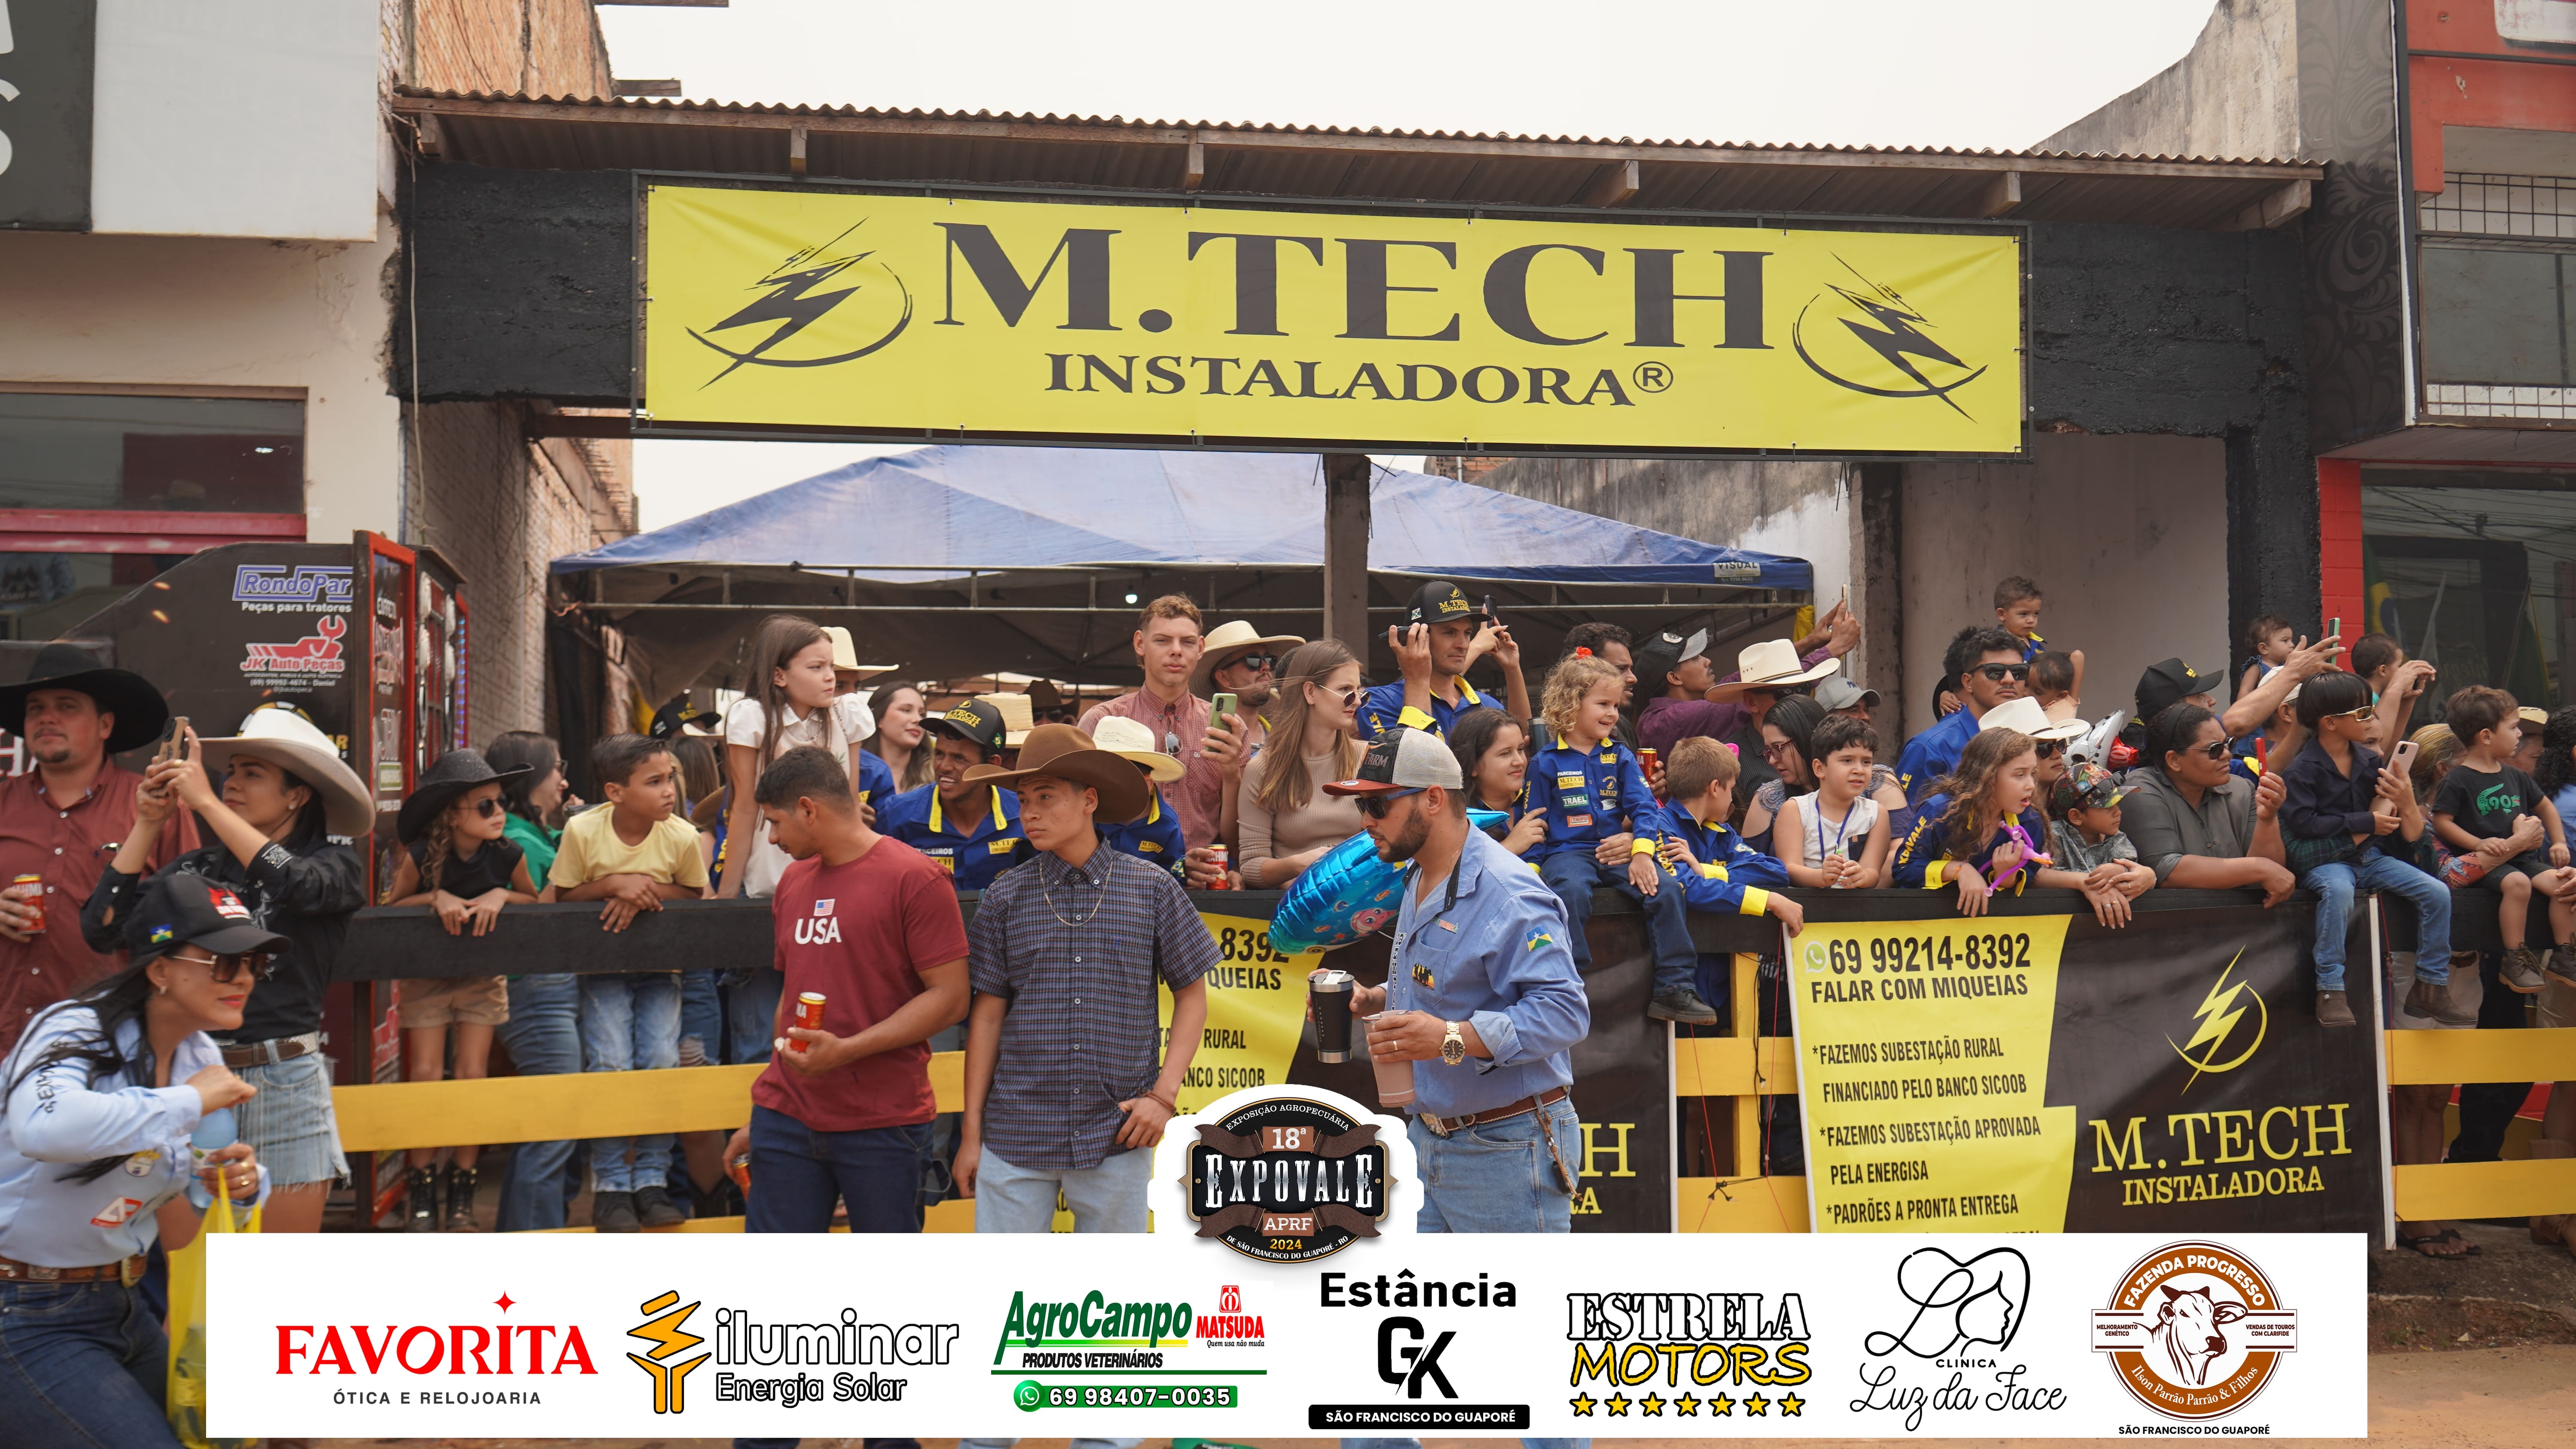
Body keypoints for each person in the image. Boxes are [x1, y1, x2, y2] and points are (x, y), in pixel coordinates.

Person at [0, 873, 276, 1448]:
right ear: (160, 970)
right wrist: (188, 1101)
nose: (245, 978)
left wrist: (239, 1185)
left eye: (255, 963)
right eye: (224, 962)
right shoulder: (72, 1028)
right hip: (23, 1314)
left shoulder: (196, 1054)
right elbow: (42, 1127)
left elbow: (190, 1210)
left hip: (120, 1305)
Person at [76, 706, 365, 1238]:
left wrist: (205, 803)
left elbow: (298, 886)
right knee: (193, 1267)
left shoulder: (335, 865)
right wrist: (148, 823)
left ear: (297, 795)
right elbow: (104, 928)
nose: (230, 783)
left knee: (279, 1272)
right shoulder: (198, 870)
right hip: (191, 1077)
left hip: (284, 1082)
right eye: (230, 771)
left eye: (252, 773)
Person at [1324, 725, 1590, 1225]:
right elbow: (1442, 981)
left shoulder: (1510, 893)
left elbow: (1565, 1015)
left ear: (1432, 799)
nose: (1365, 821)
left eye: (1378, 805)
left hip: (1506, 1146)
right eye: (1361, 805)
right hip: (1429, 1139)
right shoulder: (1420, 871)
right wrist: (1377, 998)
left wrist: (1449, 1037)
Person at [957, 725, 1215, 1233]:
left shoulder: (1152, 888)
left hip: (1117, 1128)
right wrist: (970, 1136)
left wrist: (1163, 1097)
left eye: (1046, 797)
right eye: (1023, 799)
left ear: (1089, 800)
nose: (1029, 813)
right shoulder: (1006, 896)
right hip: (1016, 1129)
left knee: (1112, 1280)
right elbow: (986, 1018)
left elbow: (1192, 996)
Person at [723, 746, 969, 1240]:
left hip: (882, 1119)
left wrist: (848, 1050)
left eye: (775, 822)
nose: (772, 838)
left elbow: (950, 997)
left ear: (808, 810)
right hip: (786, 1117)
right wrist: (768, 1109)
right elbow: (793, 994)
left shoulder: (916, 877)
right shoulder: (793, 882)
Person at [543, 733, 709, 1231]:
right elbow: (565, 895)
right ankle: (612, 1187)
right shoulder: (583, 831)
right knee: (611, 1064)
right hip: (602, 972)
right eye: (654, 781)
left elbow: (693, 893)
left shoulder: (682, 835)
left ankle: (652, 1181)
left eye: (670, 779)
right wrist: (614, 885)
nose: (669, 790)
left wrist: (644, 891)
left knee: (660, 1063)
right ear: (616, 792)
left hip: (663, 969)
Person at [0, 643, 196, 1056]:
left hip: (108, 1044)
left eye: (66, 706)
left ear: (105, 724)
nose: (47, 717)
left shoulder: (156, 806)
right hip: (6, 1041)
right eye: (36, 709)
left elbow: (190, 920)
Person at [387, 747, 539, 1231]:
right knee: (427, 1076)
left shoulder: (509, 854)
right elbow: (390, 909)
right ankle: (421, 1193)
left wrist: (501, 894)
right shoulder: (420, 857)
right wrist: (435, 896)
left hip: (482, 976)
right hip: (427, 977)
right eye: (486, 805)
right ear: (452, 814)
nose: (499, 813)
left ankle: (462, 1197)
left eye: (501, 802)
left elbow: (534, 900)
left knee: (474, 1077)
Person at [1524, 655, 1705, 1023]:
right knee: (1569, 891)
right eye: (1603, 704)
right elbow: (1534, 825)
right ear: (1571, 703)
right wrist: (1531, 873)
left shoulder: (1621, 756)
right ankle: (1567, 986)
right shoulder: (1544, 763)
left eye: (1616, 705)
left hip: (1620, 851)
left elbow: (1645, 809)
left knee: (1667, 889)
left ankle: (1674, 989)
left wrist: (1642, 853)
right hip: (1567, 854)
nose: (1613, 713)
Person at [2279, 670, 2458, 1028]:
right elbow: (2304, 825)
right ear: (2330, 723)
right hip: (2328, 863)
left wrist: (2400, 803)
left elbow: (2389, 824)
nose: (2371, 720)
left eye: (2371, 711)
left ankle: (2431, 987)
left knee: (2437, 892)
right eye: (2362, 713)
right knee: (2339, 892)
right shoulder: (2301, 770)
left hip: (2371, 858)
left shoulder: (2370, 762)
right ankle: (2330, 988)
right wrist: (2366, 822)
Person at [481, 730, 588, 1232]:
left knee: (552, 1125)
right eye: (556, 768)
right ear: (528, 779)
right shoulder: (517, 841)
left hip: (546, 988)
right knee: (554, 1124)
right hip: (536, 991)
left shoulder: (529, 833)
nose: (564, 780)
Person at [717, 615, 881, 903]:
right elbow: (743, 808)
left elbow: (850, 805)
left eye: (831, 666)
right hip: (769, 881)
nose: (830, 676)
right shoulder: (752, 717)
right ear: (779, 675)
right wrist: (727, 894)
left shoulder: (848, 713)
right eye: (816, 667)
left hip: (835, 880)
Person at [1893, 728, 2131, 924]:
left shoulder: (2030, 821)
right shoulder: (1940, 811)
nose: (2031, 785)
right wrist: (1959, 870)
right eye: (2019, 775)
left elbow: (2029, 878)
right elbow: (1904, 868)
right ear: (1986, 776)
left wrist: (2005, 875)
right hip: (1925, 928)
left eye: (2032, 774)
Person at [2428, 685, 2573, 996]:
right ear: (2486, 736)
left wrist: (2559, 842)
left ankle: (2565, 954)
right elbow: (2442, 822)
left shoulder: (2515, 775)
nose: (2519, 734)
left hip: (2523, 859)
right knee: (2517, 884)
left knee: (2565, 884)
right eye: (2513, 727)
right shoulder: (2458, 778)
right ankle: (2515, 957)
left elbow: (2545, 807)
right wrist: (2478, 844)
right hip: (2490, 866)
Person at [1075, 596, 1227, 875]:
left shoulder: (1224, 726)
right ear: (1140, 644)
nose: (1176, 651)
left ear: (1201, 648)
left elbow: (1241, 821)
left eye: (1187, 642)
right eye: (1163, 641)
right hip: (1114, 883)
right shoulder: (1102, 721)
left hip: (1206, 882)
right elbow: (1075, 809)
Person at [1636, 614, 1858, 797]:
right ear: (1674, 678)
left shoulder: (1679, 713)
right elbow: (1754, 686)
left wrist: (1810, 642)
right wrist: (1831, 650)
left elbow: (1748, 681)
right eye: (1695, 659)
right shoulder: (1671, 719)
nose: (1707, 661)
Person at [2120, 702, 2298, 902]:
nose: (2227, 754)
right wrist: (2259, 868)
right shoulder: (2139, 789)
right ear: (2174, 760)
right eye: (2214, 750)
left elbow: (2273, 880)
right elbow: (2167, 870)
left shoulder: (2242, 789)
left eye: (2228, 744)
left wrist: (2267, 819)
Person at [1237, 640, 1369, 890]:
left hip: (1366, 899)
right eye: (1345, 690)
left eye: (1360, 692)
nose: (1357, 702)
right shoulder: (1264, 768)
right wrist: (1299, 864)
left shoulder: (1369, 759)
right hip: (1299, 903)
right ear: (1310, 693)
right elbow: (1251, 867)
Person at [1647, 736, 1803, 931]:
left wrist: (1706, 871)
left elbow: (1776, 872)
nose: (1731, 798)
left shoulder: (1723, 832)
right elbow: (1686, 888)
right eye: (1731, 788)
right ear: (1714, 788)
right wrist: (1768, 900)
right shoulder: (1659, 825)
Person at [877, 699, 1033, 892]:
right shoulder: (897, 814)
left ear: (992, 765)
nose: (944, 767)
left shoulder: (1024, 813)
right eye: (940, 754)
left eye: (959, 758)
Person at [1359, 581, 1530, 740]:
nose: (1463, 645)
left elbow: (1523, 746)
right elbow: (1415, 760)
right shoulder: (1379, 702)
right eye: (1450, 633)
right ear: (1416, 636)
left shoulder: (1488, 705)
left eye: (1467, 633)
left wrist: (1513, 669)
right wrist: (1417, 681)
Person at [1195, 619, 1305, 856]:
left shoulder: (1283, 740)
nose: (1266, 668)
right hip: (1220, 862)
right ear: (1224, 678)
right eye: (1253, 662)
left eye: (1270, 661)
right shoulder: (1203, 740)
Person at [1895, 627, 2029, 803]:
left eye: (2019, 671)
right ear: (1968, 682)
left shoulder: (2034, 738)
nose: (2010, 679)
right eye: (1995, 671)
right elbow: (1906, 818)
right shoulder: (1930, 748)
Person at [1774, 713, 1895, 889]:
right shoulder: (1796, 810)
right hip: (1805, 903)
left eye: (1866, 762)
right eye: (1847, 760)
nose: (1859, 770)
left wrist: (1863, 876)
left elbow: (1873, 872)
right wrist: (1821, 877)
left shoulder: (1876, 814)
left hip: (1855, 904)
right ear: (1819, 768)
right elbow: (1789, 869)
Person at [1088, 716, 1192, 884]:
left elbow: (1173, 874)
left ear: (1147, 785)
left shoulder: (1167, 823)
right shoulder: (1087, 813)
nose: (1105, 786)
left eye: (1118, 779)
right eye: (1099, 777)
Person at [2047, 761, 2155, 899]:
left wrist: (2122, 870)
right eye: (2108, 807)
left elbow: (2131, 867)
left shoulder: (2117, 839)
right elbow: (2040, 876)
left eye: (2118, 803)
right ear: (2076, 817)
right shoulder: (2053, 836)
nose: (2118, 812)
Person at [1449, 706, 1545, 857]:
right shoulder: (1455, 817)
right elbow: (1450, 869)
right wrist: (1509, 847)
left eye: (1520, 749)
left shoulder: (1541, 794)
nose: (1520, 761)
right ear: (1472, 765)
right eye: (1505, 753)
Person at [866, 682, 937, 793]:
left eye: (922, 714)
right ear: (879, 718)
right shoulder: (853, 771)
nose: (918, 720)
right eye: (906, 710)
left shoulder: (936, 777)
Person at [2238, 614, 2296, 700]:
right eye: (2285, 641)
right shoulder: (2257, 668)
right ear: (2264, 649)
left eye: (2292, 640)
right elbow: (2246, 690)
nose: (2292, 645)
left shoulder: (2286, 666)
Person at [2031, 650, 2081, 724]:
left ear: (2060, 695)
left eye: (2038, 692)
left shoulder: (2067, 704)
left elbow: (2078, 656)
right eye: (2026, 685)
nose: (2026, 693)